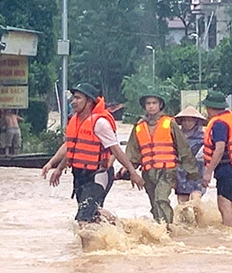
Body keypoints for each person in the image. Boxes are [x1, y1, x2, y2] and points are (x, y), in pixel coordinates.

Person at [42, 83, 144, 223]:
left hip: (98, 174)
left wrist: (132, 172)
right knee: (93, 215)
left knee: (84, 218)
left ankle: (96, 239)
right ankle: (116, 229)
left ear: (89, 101)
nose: (73, 102)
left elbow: (116, 149)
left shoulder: (100, 123)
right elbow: (70, 148)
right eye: (73, 98)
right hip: (80, 175)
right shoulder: (75, 121)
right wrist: (55, 166)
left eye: (78, 98)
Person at [125, 92, 198, 224]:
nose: (151, 106)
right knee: (154, 203)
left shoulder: (170, 123)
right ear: (144, 106)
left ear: (160, 105)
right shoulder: (139, 126)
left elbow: (183, 148)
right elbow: (133, 152)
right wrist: (130, 171)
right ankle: (160, 230)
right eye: (148, 103)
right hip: (148, 172)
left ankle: (167, 230)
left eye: (154, 103)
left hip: (167, 171)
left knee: (161, 199)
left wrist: (191, 171)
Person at [201, 90, 232, 227]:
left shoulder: (219, 124)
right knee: (228, 203)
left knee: (224, 204)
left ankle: (228, 235)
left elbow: (219, 149)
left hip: (227, 168)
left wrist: (208, 172)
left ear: (209, 107)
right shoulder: (230, 116)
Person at [174, 106, 207, 204]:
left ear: (196, 122)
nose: (187, 123)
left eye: (190, 120)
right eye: (185, 120)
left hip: (198, 173)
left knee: (196, 202)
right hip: (180, 173)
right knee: (182, 205)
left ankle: (200, 220)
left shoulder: (204, 137)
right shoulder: (176, 137)